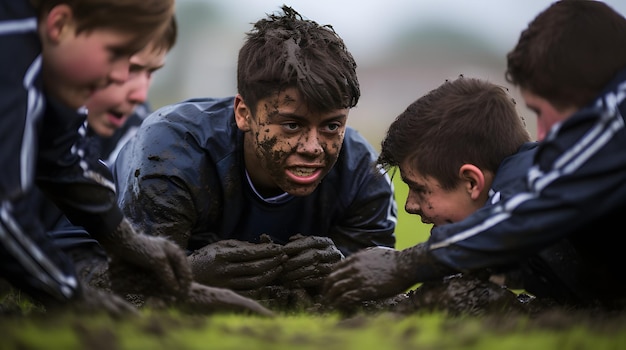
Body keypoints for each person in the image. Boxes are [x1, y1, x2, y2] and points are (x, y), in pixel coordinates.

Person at [323, 0, 626, 311]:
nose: (410, 205)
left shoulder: (527, 180)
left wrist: (404, 265)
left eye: (419, 188)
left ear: (471, 181)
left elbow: (522, 213)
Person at [113, 5, 397, 306]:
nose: (313, 147)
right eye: (291, 125)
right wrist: (191, 272)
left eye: (331, 125)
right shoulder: (173, 154)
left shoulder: (363, 176)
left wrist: (342, 269)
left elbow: (382, 288)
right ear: (244, 113)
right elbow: (123, 283)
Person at [0, 0, 191, 315]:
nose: (119, 77)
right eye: (118, 55)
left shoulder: (46, 65)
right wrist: (73, 296)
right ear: (60, 24)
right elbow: (4, 212)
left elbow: (61, 156)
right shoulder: (12, 46)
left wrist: (124, 239)